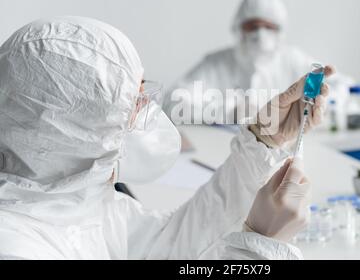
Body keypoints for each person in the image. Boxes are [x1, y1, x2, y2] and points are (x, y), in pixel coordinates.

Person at [0, 17, 333, 259]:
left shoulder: (87, 205)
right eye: (134, 101)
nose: (148, 108)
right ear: (71, 132)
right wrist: (258, 249)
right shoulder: (15, 246)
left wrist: (261, 141)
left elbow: (172, 245)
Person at [164, 0, 317, 123]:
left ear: (279, 31)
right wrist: (228, 111)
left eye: (268, 27)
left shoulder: (293, 60)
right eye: (253, 26)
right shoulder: (217, 63)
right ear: (239, 27)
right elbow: (173, 101)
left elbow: (333, 89)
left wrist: (302, 109)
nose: (260, 34)